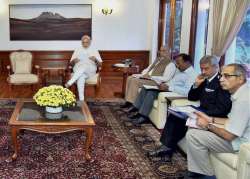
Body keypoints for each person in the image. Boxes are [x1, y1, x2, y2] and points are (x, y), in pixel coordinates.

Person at [148, 55, 232, 162]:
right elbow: (192, 97)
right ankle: (166, 147)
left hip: (211, 114)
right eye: (201, 68)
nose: (203, 71)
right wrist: (196, 85)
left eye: (206, 68)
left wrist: (200, 113)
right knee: (175, 114)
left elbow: (222, 109)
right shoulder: (204, 79)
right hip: (200, 109)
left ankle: (166, 149)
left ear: (216, 67)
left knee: (181, 118)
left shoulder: (222, 82)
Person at [185, 64, 249, 179]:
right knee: (194, 127)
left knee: (193, 135)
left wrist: (208, 125)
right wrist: (211, 119)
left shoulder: (243, 100)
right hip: (238, 136)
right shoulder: (243, 93)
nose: (221, 79)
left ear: (240, 79)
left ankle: (206, 175)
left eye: (227, 76)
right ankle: (197, 172)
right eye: (221, 75)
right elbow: (231, 120)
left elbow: (229, 136)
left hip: (241, 144)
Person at [127, 53, 197, 125]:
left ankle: (143, 117)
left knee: (151, 93)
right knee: (145, 88)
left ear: (187, 62)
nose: (177, 66)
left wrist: (169, 87)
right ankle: (137, 110)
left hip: (174, 93)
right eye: (177, 63)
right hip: (167, 88)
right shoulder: (179, 71)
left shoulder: (192, 75)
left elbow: (187, 91)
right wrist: (164, 85)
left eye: (179, 63)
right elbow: (171, 81)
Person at [65, 35, 102, 101]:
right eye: (83, 42)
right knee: (81, 77)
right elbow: (71, 63)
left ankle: (70, 82)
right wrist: (74, 61)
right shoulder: (77, 50)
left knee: (84, 66)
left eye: (86, 42)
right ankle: (82, 100)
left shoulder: (94, 50)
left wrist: (95, 59)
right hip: (78, 69)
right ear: (81, 42)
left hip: (90, 70)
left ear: (90, 42)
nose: (85, 44)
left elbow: (100, 64)